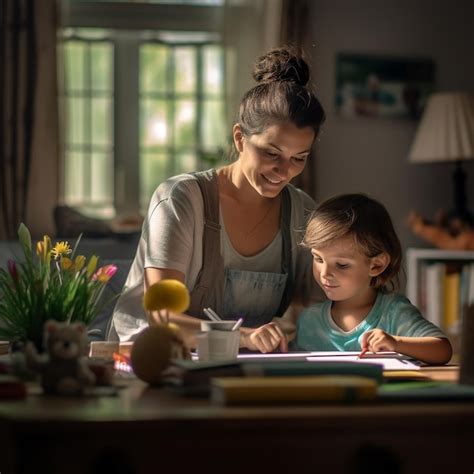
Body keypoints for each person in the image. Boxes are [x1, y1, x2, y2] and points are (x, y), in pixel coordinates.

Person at [107, 46, 326, 353]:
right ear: (239, 138)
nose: (283, 171)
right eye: (270, 153)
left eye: (298, 158)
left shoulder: (303, 212)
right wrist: (244, 337)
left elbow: (319, 309)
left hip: (247, 367)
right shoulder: (181, 201)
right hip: (155, 363)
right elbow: (162, 317)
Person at [292, 193, 452, 364]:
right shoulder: (309, 320)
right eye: (318, 259)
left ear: (377, 265)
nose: (324, 273)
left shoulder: (394, 313)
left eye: (342, 265)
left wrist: (396, 343)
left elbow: (442, 350)